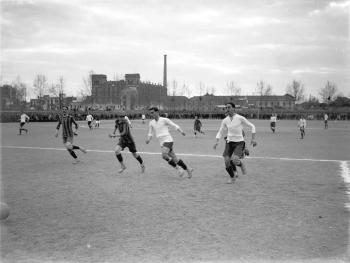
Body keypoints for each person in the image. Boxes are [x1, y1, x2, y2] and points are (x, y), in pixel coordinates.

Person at [213, 102, 257, 184]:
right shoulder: (225, 120)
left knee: (235, 160)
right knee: (226, 161)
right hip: (229, 142)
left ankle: (241, 164)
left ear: (234, 108)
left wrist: (253, 139)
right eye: (226, 108)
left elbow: (252, 126)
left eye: (229, 107)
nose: (227, 109)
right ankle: (232, 177)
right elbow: (220, 131)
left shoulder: (240, 118)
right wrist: (217, 141)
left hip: (239, 142)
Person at [146, 106, 193, 178]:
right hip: (162, 143)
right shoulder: (151, 123)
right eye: (150, 113)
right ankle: (188, 169)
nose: (151, 114)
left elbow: (174, 125)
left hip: (168, 140)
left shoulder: (164, 120)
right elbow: (150, 133)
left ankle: (179, 168)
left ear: (157, 112)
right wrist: (148, 139)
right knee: (175, 159)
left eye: (152, 113)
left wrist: (181, 132)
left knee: (164, 155)